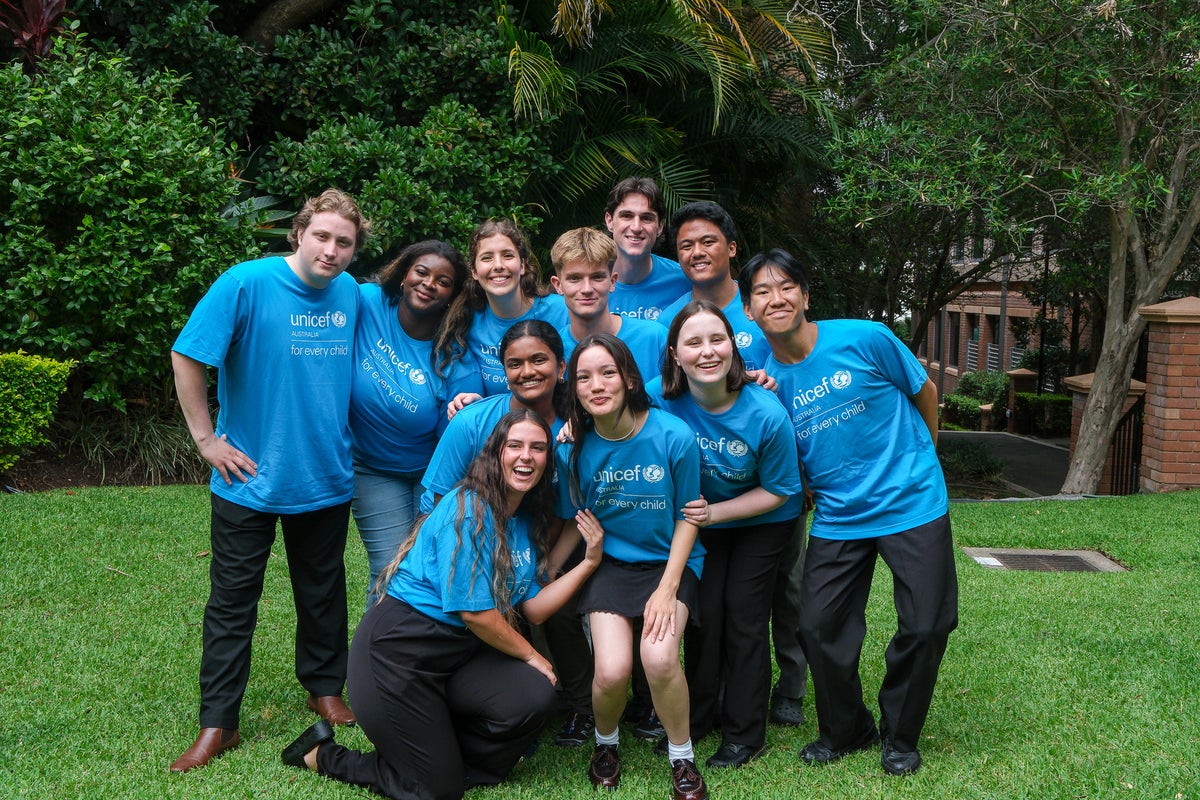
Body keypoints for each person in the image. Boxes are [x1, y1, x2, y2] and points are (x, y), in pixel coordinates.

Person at [280, 410, 606, 800]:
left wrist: (588, 563)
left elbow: (532, 607)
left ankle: (443, 764)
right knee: (438, 792)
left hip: (459, 655)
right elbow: (475, 614)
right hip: (398, 652)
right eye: (515, 445)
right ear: (495, 453)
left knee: (534, 697)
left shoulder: (523, 520)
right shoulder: (469, 508)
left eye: (538, 448)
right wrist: (532, 655)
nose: (526, 456)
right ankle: (324, 755)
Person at [169, 188, 368, 773]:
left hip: (325, 475)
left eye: (345, 242)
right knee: (232, 604)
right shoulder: (244, 283)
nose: (331, 250)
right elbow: (188, 355)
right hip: (248, 479)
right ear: (300, 233)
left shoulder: (351, 292)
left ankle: (325, 689)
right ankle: (218, 724)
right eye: (323, 236)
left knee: (324, 592)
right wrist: (207, 441)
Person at [740, 247, 959, 777]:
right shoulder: (764, 385)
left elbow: (924, 391)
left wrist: (924, 454)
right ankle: (846, 727)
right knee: (816, 628)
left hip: (912, 502)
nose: (777, 298)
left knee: (928, 624)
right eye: (763, 292)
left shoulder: (865, 338)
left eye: (787, 286)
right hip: (839, 516)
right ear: (748, 310)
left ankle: (899, 735)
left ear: (806, 295)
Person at [647, 300, 804, 768]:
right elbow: (613, 410)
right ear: (676, 353)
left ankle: (744, 733)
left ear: (734, 347)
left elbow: (779, 491)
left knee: (744, 614)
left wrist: (715, 513)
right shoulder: (660, 396)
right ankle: (698, 719)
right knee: (704, 612)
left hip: (762, 518)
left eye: (717, 339)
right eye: (693, 342)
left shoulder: (765, 412)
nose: (707, 351)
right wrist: (574, 423)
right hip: (701, 519)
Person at [553, 333, 709, 800]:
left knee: (659, 659)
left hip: (671, 562)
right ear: (573, 387)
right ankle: (606, 745)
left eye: (607, 373)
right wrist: (548, 568)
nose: (596, 384)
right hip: (612, 565)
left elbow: (689, 515)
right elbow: (574, 519)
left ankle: (682, 757)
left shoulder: (673, 435)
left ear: (628, 378)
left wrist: (667, 587)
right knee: (613, 671)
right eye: (584, 376)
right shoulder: (571, 448)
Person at [349, 240, 482, 607]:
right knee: (389, 566)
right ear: (404, 273)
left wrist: (434, 496)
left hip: (431, 472)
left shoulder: (457, 359)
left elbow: (455, 443)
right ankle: (373, 660)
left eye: (443, 281)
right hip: (372, 468)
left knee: (429, 568)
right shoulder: (367, 303)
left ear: (453, 295)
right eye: (421, 272)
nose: (428, 284)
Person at [419, 320, 568, 514]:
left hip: (532, 535)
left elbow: (563, 512)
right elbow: (441, 501)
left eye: (538, 360)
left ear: (561, 367)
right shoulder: (471, 422)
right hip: (457, 529)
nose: (527, 372)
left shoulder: (570, 430)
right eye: (515, 364)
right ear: (505, 372)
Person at [438, 219, 569, 396]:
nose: (498, 265)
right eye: (487, 258)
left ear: (522, 265)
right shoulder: (467, 319)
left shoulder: (561, 311)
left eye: (508, 255)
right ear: (475, 271)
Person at [658, 201, 772, 371]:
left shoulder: (765, 305)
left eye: (708, 242)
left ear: (732, 248)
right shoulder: (668, 322)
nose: (697, 253)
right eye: (687, 246)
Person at [550, 226, 668, 377]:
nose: (586, 289)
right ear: (558, 285)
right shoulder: (554, 352)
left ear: (613, 282)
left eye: (597, 277)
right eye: (575, 278)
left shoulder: (654, 339)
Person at [603, 177, 691, 321]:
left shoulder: (683, 281)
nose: (636, 227)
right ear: (609, 221)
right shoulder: (588, 283)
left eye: (646, 218)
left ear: (660, 226)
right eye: (627, 216)